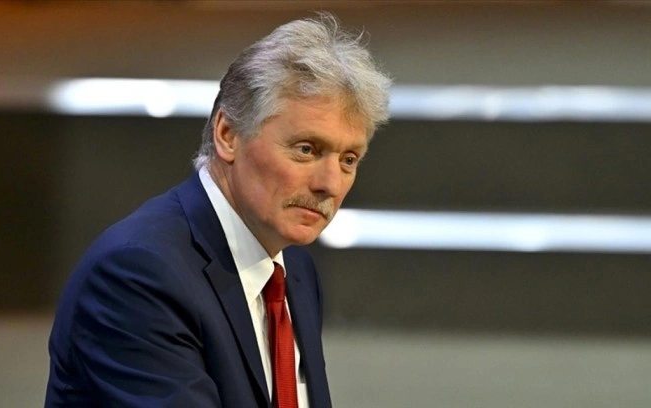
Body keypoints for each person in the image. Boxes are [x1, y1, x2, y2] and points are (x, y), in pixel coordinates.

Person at [44, 13, 391, 408]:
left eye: (349, 159)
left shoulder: (294, 267)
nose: (330, 184)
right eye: (306, 149)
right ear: (228, 135)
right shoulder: (137, 275)